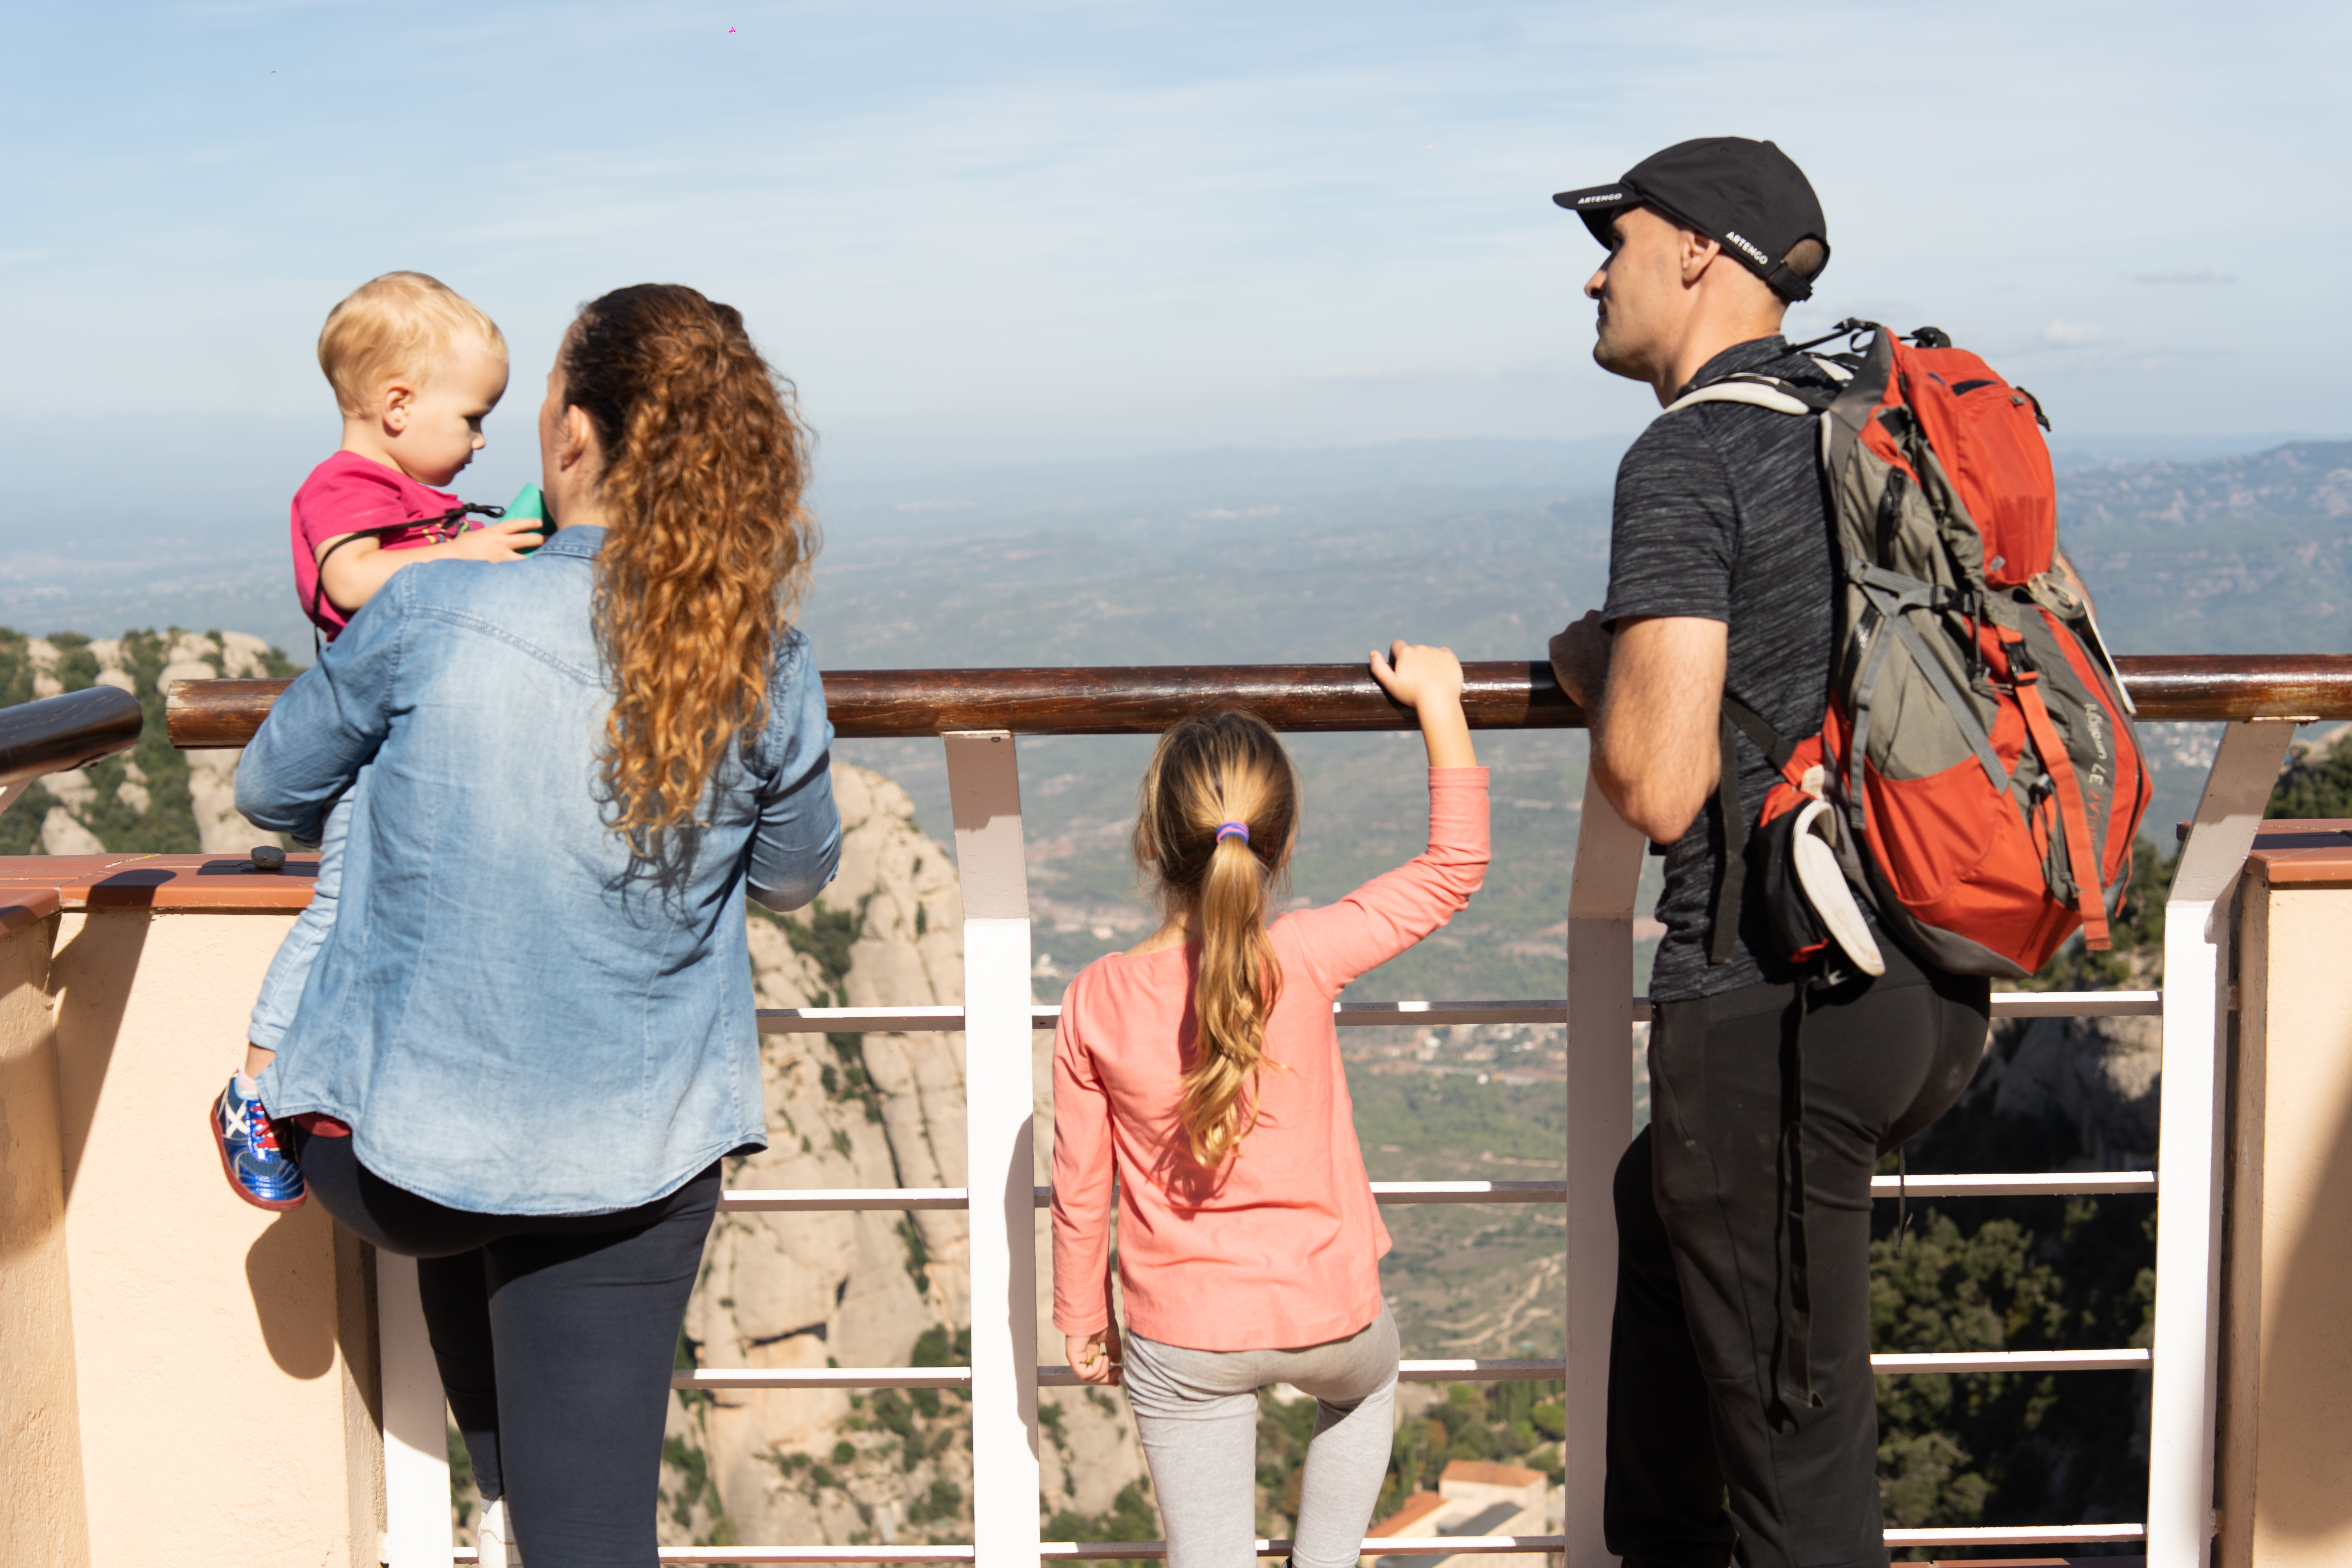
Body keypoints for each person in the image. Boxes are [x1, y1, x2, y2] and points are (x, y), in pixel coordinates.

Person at [237, 283, 842, 1568]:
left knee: (469, 1189)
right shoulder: (762, 661)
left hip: (402, 1164)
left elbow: (274, 789)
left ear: (573, 433)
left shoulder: (426, 609)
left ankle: (509, 1465)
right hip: (629, 1160)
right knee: (590, 1520)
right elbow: (795, 877)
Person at [1545, 138, 1990, 1568]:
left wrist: (1609, 677)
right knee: (1656, 1210)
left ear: (1702, 254)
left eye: (1621, 235)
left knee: (1803, 1487)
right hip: (1926, 978)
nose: (1596, 267)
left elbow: (1662, 785)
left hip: (1777, 1000)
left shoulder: (1689, 455)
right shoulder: (1864, 423)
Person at [1052, 642, 1488, 1568]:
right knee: (1367, 1392)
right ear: (1278, 848)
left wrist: (1083, 1315)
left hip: (1183, 1332)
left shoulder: (1096, 995)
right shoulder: (1305, 954)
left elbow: (1081, 1185)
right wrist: (1439, 702)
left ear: (1149, 844)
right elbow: (1455, 864)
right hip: (1334, 1316)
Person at [209, 270, 545, 1212]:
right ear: (398, 404)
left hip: (428, 750)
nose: (481, 439)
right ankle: (255, 1093)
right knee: (336, 916)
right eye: (474, 416)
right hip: (374, 758)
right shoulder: (343, 488)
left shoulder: (419, 499)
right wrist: (466, 551)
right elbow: (353, 580)